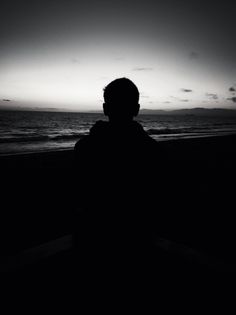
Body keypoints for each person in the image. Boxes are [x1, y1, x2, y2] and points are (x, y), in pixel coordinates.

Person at [73, 78, 162, 283]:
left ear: (105, 108)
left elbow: (78, 198)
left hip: (94, 241)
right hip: (139, 241)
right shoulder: (152, 150)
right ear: (137, 109)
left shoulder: (85, 148)